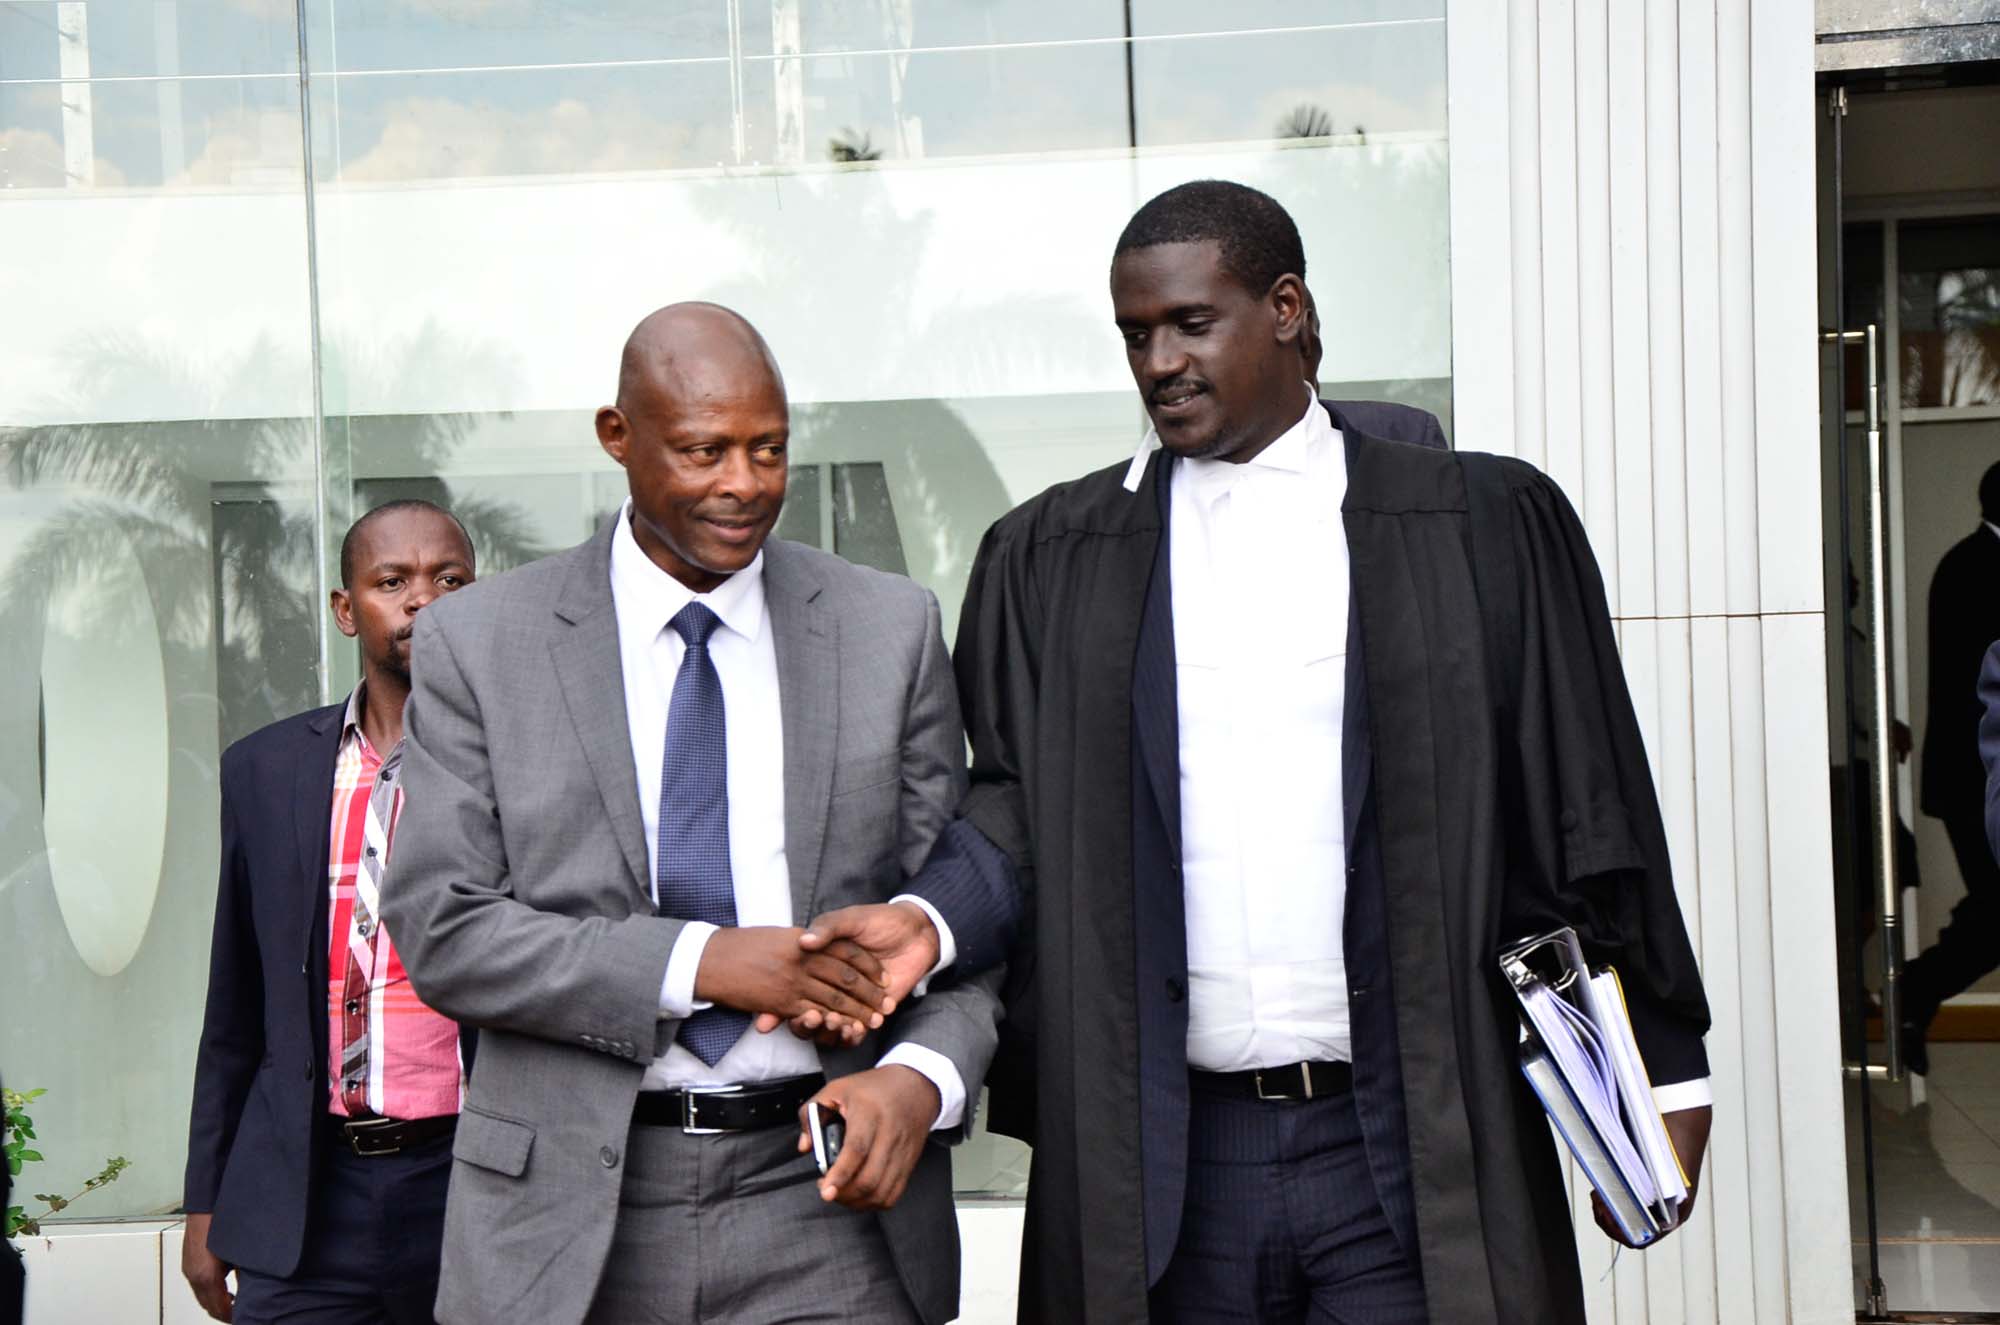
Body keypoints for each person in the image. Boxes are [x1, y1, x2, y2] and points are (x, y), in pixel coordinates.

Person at [934, 180, 1713, 1324]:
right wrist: (924, 937)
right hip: (1170, 1164)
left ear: (1286, 308)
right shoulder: (1052, 559)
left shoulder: (1471, 526)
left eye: (1190, 323)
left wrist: (1660, 1066)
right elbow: (1006, 815)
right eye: (1136, 335)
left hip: (1414, 1142)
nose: (1159, 362)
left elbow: (1585, 803)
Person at [378, 303, 1006, 1325]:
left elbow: (955, 918)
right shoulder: (479, 642)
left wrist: (922, 1076)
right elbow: (445, 930)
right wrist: (704, 962)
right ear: (617, 436)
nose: (744, 482)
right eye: (704, 450)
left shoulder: (887, 627)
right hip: (566, 1218)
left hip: (827, 1204)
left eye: (769, 449)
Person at [182, 500, 478, 1323]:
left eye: (450, 580)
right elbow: (235, 1007)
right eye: (393, 582)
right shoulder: (265, 768)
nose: (423, 600)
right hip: (306, 1195)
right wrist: (207, 1196)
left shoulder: (517, 764)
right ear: (347, 610)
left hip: (468, 1179)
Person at [1903, 462, 2000, 1072]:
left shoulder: (1970, 561)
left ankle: (1914, 992)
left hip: (1976, 775)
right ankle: (1914, 990)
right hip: (1978, 779)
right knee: (1997, 907)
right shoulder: (1975, 566)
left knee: (1994, 906)